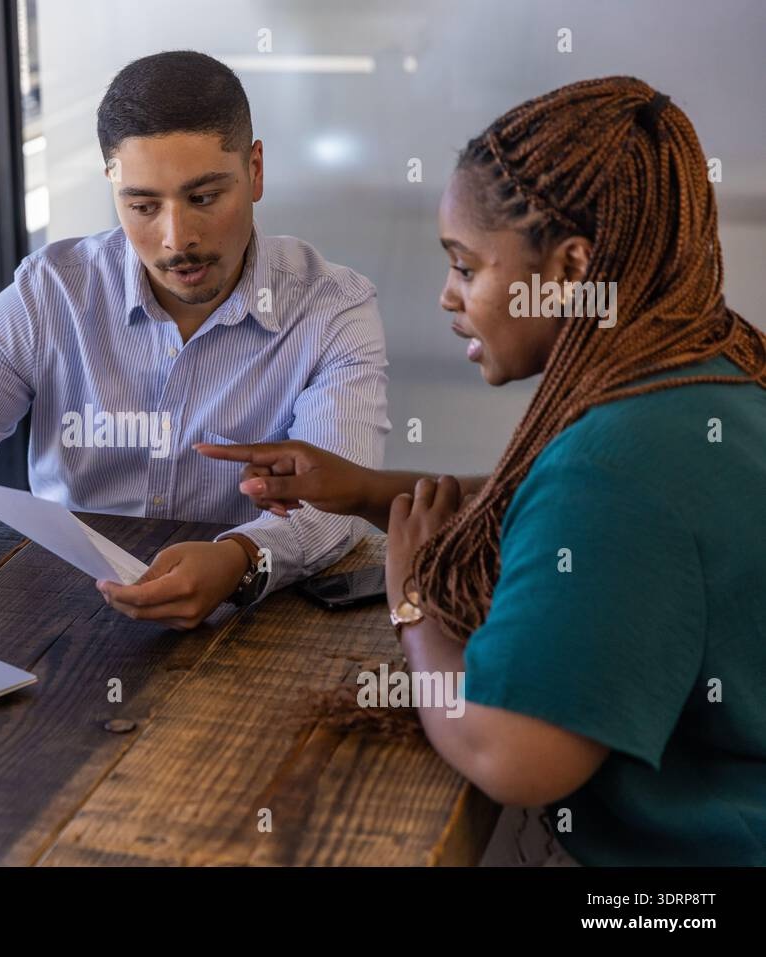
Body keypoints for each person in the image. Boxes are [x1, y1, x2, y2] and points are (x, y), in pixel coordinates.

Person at [198, 76, 766, 866]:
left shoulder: (613, 470)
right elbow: (562, 516)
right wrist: (366, 489)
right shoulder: (708, 365)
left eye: (466, 266)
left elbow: (512, 754)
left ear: (569, 269)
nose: (447, 296)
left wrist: (413, 602)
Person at [0, 51, 390, 628]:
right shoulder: (53, 292)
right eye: (143, 205)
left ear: (254, 171)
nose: (177, 239)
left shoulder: (332, 307)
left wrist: (240, 560)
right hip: (64, 612)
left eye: (204, 197)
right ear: (113, 187)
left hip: (252, 621)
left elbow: (340, 501)